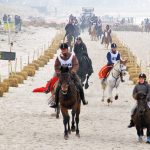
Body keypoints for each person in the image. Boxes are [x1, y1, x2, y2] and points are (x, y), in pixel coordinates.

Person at [49, 43, 88, 108]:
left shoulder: (72, 56)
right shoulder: (59, 57)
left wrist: (73, 71)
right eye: (62, 49)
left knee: (79, 84)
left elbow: (76, 65)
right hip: (61, 74)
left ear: (67, 49)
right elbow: (56, 66)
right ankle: (56, 102)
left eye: (65, 49)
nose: (63, 50)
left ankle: (83, 99)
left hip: (71, 74)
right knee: (57, 86)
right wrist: (58, 72)